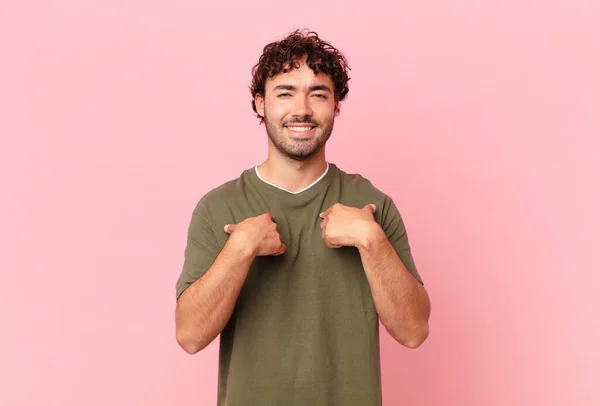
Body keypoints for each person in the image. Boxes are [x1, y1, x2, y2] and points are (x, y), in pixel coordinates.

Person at [174, 29, 431, 406]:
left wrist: (371, 240)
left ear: (336, 106)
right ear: (260, 103)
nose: (303, 109)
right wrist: (240, 248)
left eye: (318, 94)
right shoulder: (218, 207)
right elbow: (190, 336)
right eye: (285, 93)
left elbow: (413, 332)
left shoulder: (371, 205)